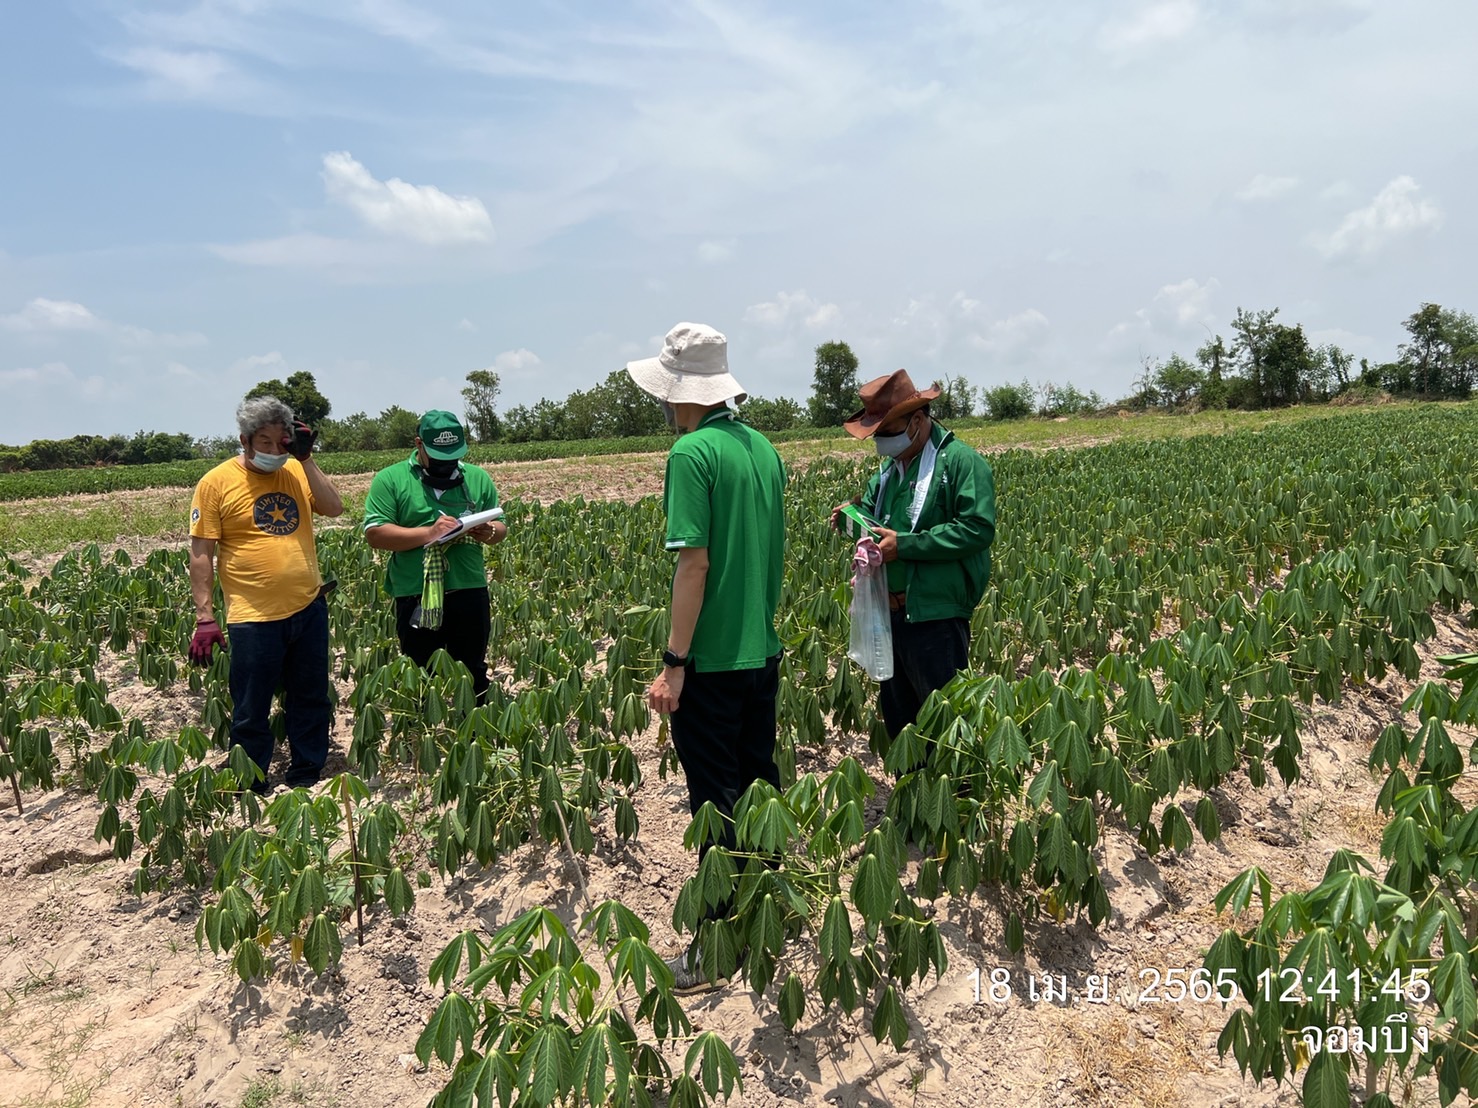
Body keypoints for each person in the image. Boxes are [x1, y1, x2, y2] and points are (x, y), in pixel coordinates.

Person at [628, 322, 786, 993]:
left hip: (714, 663)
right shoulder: (762, 448)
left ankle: (718, 946)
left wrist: (674, 663)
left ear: (682, 392)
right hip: (762, 652)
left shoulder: (691, 453)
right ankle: (768, 915)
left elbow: (693, 565)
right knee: (757, 788)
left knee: (716, 807)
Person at [188, 395, 345, 793]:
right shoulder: (216, 482)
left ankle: (307, 773)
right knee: (250, 706)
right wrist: (204, 616)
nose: (275, 451)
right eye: (265, 442)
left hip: (308, 605)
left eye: (281, 442)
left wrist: (306, 459)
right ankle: (252, 781)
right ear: (245, 440)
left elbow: (334, 508)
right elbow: (202, 553)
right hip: (253, 615)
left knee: (310, 697)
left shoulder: (296, 470)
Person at [831, 369, 996, 746]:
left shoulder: (960, 463)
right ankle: (911, 785)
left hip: (935, 616)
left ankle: (951, 786)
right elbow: (874, 519)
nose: (882, 442)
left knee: (946, 728)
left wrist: (905, 546)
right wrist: (853, 519)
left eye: (888, 432)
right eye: (877, 435)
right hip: (888, 616)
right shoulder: (888, 474)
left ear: (918, 421)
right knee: (902, 727)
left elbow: (976, 528)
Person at [362, 410, 507, 702]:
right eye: (439, 457)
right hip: (415, 592)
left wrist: (488, 531)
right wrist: (429, 533)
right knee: (419, 676)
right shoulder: (391, 479)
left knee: (473, 673)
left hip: (468, 587)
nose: (446, 463)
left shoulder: (477, 478)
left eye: (453, 457)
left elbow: (500, 527)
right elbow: (376, 533)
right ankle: (424, 728)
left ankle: (474, 727)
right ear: (419, 445)